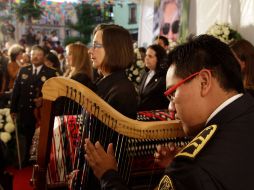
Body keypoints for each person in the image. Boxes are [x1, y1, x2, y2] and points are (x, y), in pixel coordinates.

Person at [84, 34, 254, 190]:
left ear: (204, 82)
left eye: (172, 93)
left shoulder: (191, 167)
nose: (171, 108)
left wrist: (108, 176)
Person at [10, 45, 58, 167]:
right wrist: (13, 109)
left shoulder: (51, 72)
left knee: (41, 137)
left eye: (38, 54)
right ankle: (26, 158)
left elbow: (56, 94)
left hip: (41, 114)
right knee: (26, 136)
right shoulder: (23, 70)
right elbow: (16, 91)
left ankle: (39, 159)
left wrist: (43, 99)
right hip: (25, 110)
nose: (35, 57)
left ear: (43, 57)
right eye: (32, 54)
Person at [88, 23, 138, 119]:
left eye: (96, 45)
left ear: (113, 50)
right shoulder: (104, 82)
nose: (90, 50)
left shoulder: (122, 92)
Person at [137, 44, 169, 111]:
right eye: (146, 55)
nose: (146, 58)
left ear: (159, 59)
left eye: (150, 56)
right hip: (140, 115)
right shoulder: (145, 73)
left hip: (154, 117)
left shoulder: (164, 77)